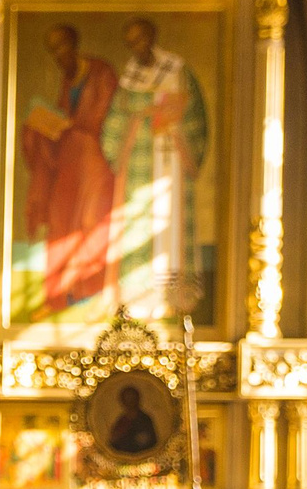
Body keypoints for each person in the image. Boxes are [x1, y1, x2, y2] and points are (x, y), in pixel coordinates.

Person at [102, 17, 208, 316]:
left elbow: (195, 114)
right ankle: (134, 299)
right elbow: (115, 121)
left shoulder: (178, 71)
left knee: (170, 223)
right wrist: (140, 116)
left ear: (151, 37)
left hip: (172, 158)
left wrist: (172, 119)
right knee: (136, 226)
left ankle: (175, 298)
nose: (136, 48)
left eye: (139, 40)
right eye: (130, 43)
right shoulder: (130, 78)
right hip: (139, 161)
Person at [18, 23, 118, 316]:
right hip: (69, 157)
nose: (58, 55)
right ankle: (57, 297)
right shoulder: (68, 78)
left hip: (93, 158)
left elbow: (104, 115)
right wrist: (44, 126)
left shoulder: (101, 72)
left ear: (73, 44)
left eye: (61, 47)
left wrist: (69, 123)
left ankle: (89, 294)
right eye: (53, 51)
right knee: (60, 221)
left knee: (90, 222)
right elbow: (66, 116)